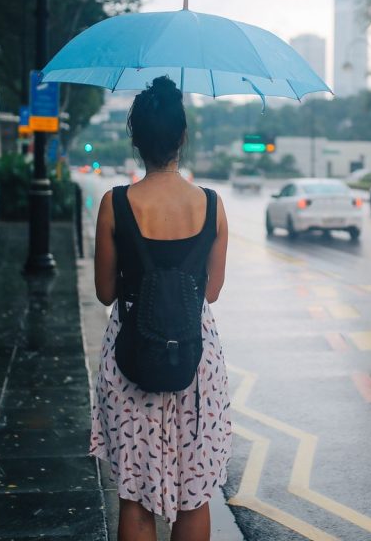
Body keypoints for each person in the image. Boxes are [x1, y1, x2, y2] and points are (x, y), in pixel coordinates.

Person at [90, 76, 231, 541]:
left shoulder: (114, 204)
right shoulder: (212, 206)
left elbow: (105, 293)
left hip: (131, 355)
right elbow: (210, 294)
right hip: (196, 363)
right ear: (182, 138)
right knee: (195, 495)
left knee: (134, 496)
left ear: (136, 141)